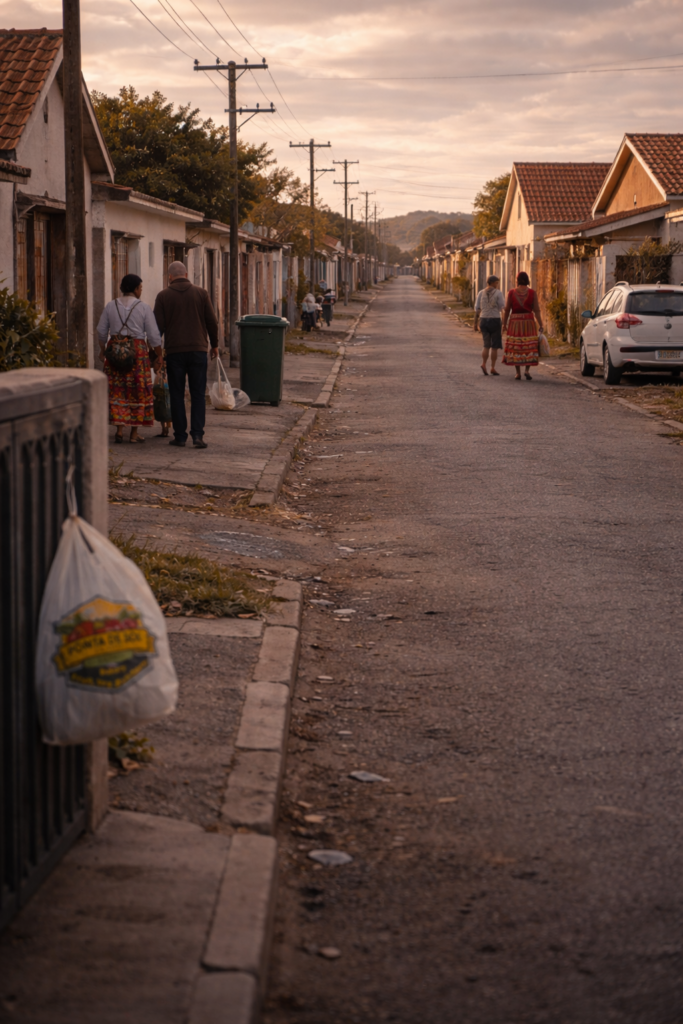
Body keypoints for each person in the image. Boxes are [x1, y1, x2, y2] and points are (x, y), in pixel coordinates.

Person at [153, 261, 218, 448]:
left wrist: (157, 354)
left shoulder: (163, 296)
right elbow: (211, 322)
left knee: (176, 394)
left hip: (175, 352)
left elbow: (157, 327)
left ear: (170, 277)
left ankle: (180, 436)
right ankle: (198, 436)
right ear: (186, 274)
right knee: (198, 394)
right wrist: (214, 345)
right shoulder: (201, 293)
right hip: (198, 350)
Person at [97, 273, 162, 443]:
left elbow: (101, 331)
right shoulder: (143, 307)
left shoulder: (111, 306)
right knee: (137, 390)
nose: (141, 290)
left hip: (115, 350)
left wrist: (102, 350)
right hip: (137, 352)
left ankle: (119, 429)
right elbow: (154, 335)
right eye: (140, 287)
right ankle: (133, 434)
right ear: (135, 289)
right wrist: (159, 354)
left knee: (118, 389)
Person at [502, 271, 544, 380]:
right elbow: (537, 310)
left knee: (517, 347)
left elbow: (507, 310)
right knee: (528, 346)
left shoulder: (511, 293)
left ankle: (518, 373)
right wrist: (541, 324)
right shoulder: (532, 293)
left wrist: (504, 324)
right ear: (527, 280)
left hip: (515, 322)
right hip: (529, 322)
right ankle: (527, 370)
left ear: (517, 281)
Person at [473, 274, 505, 376]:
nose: (498, 285)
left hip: (483, 319)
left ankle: (483, 363)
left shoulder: (480, 293)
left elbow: (477, 309)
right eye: (497, 283)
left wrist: (475, 322)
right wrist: (504, 322)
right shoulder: (498, 293)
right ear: (494, 283)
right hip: (495, 320)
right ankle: (492, 367)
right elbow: (502, 308)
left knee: (486, 344)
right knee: (494, 346)